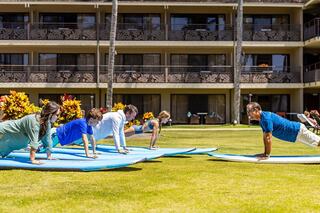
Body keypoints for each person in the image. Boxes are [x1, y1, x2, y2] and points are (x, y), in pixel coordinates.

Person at [246, 102, 320, 160]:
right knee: (316, 143)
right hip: (295, 133)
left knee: (318, 142)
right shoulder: (262, 120)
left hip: (298, 131)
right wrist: (265, 153)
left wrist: (267, 155)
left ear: (256, 110)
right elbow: (265, 137)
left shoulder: (266, 119)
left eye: (249, 112)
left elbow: (268, 138)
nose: (248, 115)